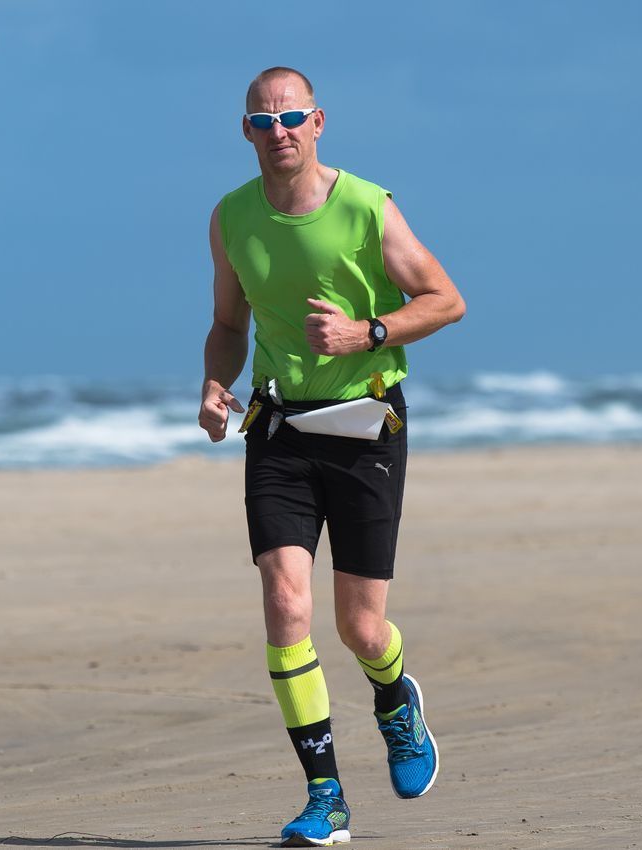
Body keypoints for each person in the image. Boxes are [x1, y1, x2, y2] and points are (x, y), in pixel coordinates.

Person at [198, 66, 466, 847]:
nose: (276, 132)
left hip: (364, 426)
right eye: (261, 122)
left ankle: (394, 699)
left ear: (317, 123)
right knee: (285, 604)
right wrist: (214, 383)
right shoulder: (230, 217)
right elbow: (228, 324)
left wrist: (366, 333)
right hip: (277, 427)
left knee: (360, 627)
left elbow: (445, 300)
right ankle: (325, 797)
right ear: (245, 132)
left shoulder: (366, 206)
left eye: (290, 118)